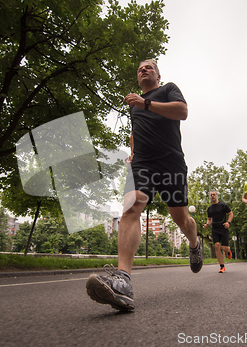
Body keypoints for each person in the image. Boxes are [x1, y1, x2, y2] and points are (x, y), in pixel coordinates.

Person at [86, 59, 201, 311]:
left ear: (158, 75)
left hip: (171, 162)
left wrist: (145, 102)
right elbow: (136, 130)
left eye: (148, 67)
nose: (143, 69)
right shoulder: (134, 106)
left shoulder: (168, 89)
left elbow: (182, 111)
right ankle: (123, 281)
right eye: (140, 68)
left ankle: (194, 244)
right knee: (131, 207)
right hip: (143, 163)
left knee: (182, 219)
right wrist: (132, 154)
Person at [204, 190, 233, 273]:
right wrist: (207, 224)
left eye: (214, 194)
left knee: (224, 248)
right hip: (215, 229)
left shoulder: (223, 205)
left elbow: (230, 213)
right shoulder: (209, 208)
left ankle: (228, 251)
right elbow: (209, 219)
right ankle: (222, 266)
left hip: (223, 227)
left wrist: (228, 222)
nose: (212, 196)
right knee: (217, 246)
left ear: (216, 196)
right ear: (210, 197)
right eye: (211, 195)